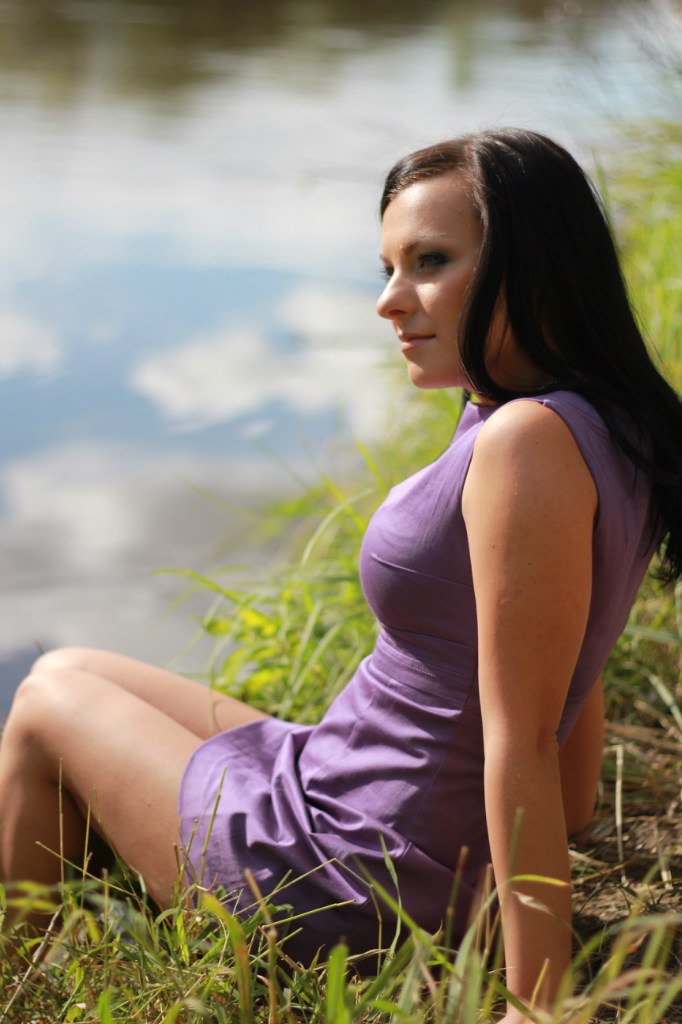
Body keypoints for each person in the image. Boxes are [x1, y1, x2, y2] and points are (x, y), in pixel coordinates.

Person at [1, 128, 681, 1021]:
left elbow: (521, 739)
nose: (390, 301)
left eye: (429, 262)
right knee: (79, 665)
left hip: (350, 877)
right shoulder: (595, 423)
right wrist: (570, 820)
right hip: (352, 791)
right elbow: (573, 670)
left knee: (46, 697)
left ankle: (21, 987)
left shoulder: (526, 443)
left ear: (534, 264)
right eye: (388, 268)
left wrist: (534, 1003)